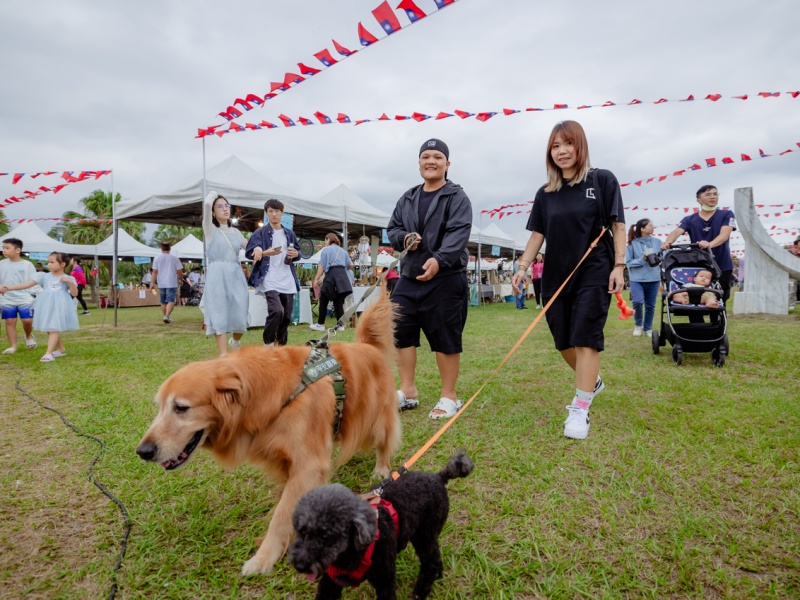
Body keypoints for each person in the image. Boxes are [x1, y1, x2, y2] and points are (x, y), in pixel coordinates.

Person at [512, 121, 626, 440]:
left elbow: (618, 226)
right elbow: (538, 234)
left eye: (568, 144)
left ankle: (581, 407)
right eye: (555, 146)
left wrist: (619, 265)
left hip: (595, 269)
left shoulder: (602, 180)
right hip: (556, 274)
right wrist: (522, 267)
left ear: (580, 146)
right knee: (563, 340)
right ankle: (592, 381)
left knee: (585, 336)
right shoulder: (546, 193)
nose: (562, 151)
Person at [387, 138, 472, 420]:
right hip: (409, 277)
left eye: (437, 156)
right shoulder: (408, 197)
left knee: (445, 337)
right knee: (400, 332)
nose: (431, 161)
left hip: (446, 277)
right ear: (419, 163)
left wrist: (439, 260)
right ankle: (408, 391)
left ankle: (449, 396)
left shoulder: (457, 197)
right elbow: (393, 228)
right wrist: (403, 238)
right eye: (425, 156)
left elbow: (458, 234)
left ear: (447, 164)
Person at [661, 185, 736, 306]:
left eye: (715, 194)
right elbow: (676, 232)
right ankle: (698, 324)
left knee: (720, 298)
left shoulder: (727, 214)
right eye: (708, 194)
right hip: (698, 267)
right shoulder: (689, 219)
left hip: (722, 265)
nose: (713, 197)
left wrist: (709, 245)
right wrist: (668, 242)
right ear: (698, 200)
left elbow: (724, 235)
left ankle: (718, 324)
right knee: (693, 298)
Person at [0, 252, 78, 362]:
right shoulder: (44, 276)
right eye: (48, 262)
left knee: (53, 328)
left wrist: (70, 282)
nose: (49, 265)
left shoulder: (68, 278)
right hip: (46, 305)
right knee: (49, 328)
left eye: (52, 262)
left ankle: (48, 353)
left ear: (63, 264)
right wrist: (7, 288)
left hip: (60, 306)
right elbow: (25, 285)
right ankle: (60, 348)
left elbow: (74, 294)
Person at [245, 199, 300, 347]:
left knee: (287, 316)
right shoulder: (260, 232)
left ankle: (280, 345)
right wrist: (263, 253)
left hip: (287, 278)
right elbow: (250, 252)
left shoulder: (290, 233)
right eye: (270, 211)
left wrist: (296, 254)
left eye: (277, 211)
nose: (274, 214)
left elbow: (298, 252)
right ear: (266, 213)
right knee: (277, 311)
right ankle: (268, 342)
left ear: (282, 213)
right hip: (269, 277)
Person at [201, 192, 250, 354]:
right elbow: (207, 204)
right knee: (219, 312)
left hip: (236, 275)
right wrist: (214, 195)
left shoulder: (236, 232)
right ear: (213, 212)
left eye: (227, 206)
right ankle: (223, 355)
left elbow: (249, 249)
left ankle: (235, 340)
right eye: (220, 207)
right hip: (217, 275)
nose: (225, 209)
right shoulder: (210, 229)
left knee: (241, 313)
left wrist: (261, 250)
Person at [310, 233, 354, 332]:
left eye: (325, 240)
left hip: (331, 276)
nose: (325, 243)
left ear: (329, 239)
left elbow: (321, 266)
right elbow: (351, 265)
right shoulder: (343, 251)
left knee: (323, 300)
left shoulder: (326, 250)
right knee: (338, 302)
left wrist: (316, 279)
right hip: (342, 277)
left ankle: (321, 324)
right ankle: (341, 325)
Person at [0, 238, 37, 354]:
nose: (4, 251)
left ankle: (28, 335)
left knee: (27, 321)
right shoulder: (1, 264)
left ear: (18, 250)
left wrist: (34, 295)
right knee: (10, 321)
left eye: (7, 248)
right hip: (6, 298)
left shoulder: (27, 264)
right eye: (3, 248)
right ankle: (13, 346)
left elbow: (33, 281)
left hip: (25, 298)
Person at [625, 219, 661, 337]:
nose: (653, 227)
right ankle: (638, 325)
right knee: (637, 302)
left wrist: (659, 259)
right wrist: (642, 259)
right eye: (651, 225)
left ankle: (648, 329)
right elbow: (629, 262)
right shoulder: (631, 243)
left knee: (650, 305)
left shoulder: (658, 242)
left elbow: (663, 258)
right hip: (636, 279)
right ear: (642, 229)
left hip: (654, 278)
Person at [152, 242, 184, 324]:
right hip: (171, 282)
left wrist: (152, 283)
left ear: (161, 249)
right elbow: (180, 271)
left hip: (161, 283)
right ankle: (167, 316)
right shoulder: (175, 258)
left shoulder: (157, 258)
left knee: (163, 301)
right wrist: (181, 280)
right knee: (170, 300)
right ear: (170, 248)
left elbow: (155, 271)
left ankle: (165, 316)